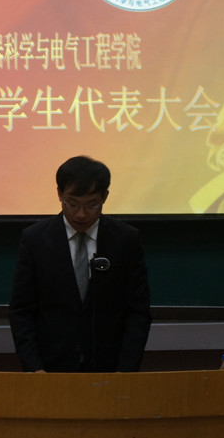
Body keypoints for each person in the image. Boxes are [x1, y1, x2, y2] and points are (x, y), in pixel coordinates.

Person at [8, 155, 151, 372]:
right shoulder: (35, 240)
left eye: (91, 205)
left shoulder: (125, 240)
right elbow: (21, 311)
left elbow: (138, 312)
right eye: (72, 204)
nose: (81, 214)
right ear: (59, 194)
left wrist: (125, 370)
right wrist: (34, 368)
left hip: (110, 368)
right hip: (50, 368)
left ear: (105, 197)